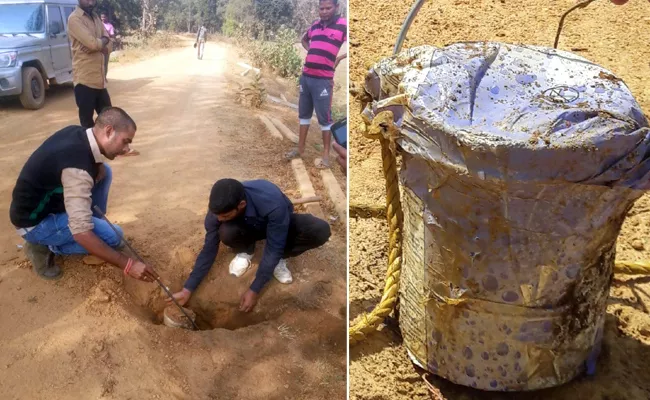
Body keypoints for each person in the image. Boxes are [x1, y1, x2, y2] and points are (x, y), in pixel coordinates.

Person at [9, 108, 158, 283]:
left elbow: (88, 159)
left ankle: (89, 223)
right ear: (109, 131)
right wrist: (127, 264)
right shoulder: (77, 170)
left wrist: (100, 162)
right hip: (34, 222)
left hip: (46, 202)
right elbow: (81, 233)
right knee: (114, 237)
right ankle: (45, 246)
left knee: (105, 171)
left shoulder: (80, 133)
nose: (126, 149)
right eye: (125, 142)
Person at [167, 179, 331, 312]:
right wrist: (188, 288)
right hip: (247, 224)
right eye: (217, 215)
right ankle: (245, 251)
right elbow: (209, 249)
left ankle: (282, 258)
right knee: (225, 232)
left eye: (225, 215)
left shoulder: (273, 205)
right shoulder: (217, 211)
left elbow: (273, 248)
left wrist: (254, 289)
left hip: (275, 223)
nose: (219, 219)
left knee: (319, 230)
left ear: (241, 205)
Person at [68, 0, 139, 156]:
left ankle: (120, 148)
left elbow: (107, 44)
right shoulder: (74, 19)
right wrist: (98, 43)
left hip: (100, 81)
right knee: (87, 124)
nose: (91, 1)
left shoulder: (95, 18)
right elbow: (93, 44)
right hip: (85, 80)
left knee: (111, 118)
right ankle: (90, 158)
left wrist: (100, 43)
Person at [285, 0, 348, 169]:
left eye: (328, 8)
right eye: (322, 8)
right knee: (304, 115)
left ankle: (326, 156)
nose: (325, 11)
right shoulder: (314, 25)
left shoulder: (343, 25)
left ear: (336, 8)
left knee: (324, 119)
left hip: (323, 80)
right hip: (306, 77)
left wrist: (340, 57)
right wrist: (313, 51)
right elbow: (304, 40)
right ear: (318, 9)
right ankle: (300, 149)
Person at [100, 12, 115, 79]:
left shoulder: (110, 26)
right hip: (98, 45)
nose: (103, 18)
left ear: (107, 17)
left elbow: (112, 35)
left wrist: (106, 36)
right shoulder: (98, 25)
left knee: (105, 63)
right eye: (102, 17)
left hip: (106, 46)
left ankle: (104, 77)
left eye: (104, 17)